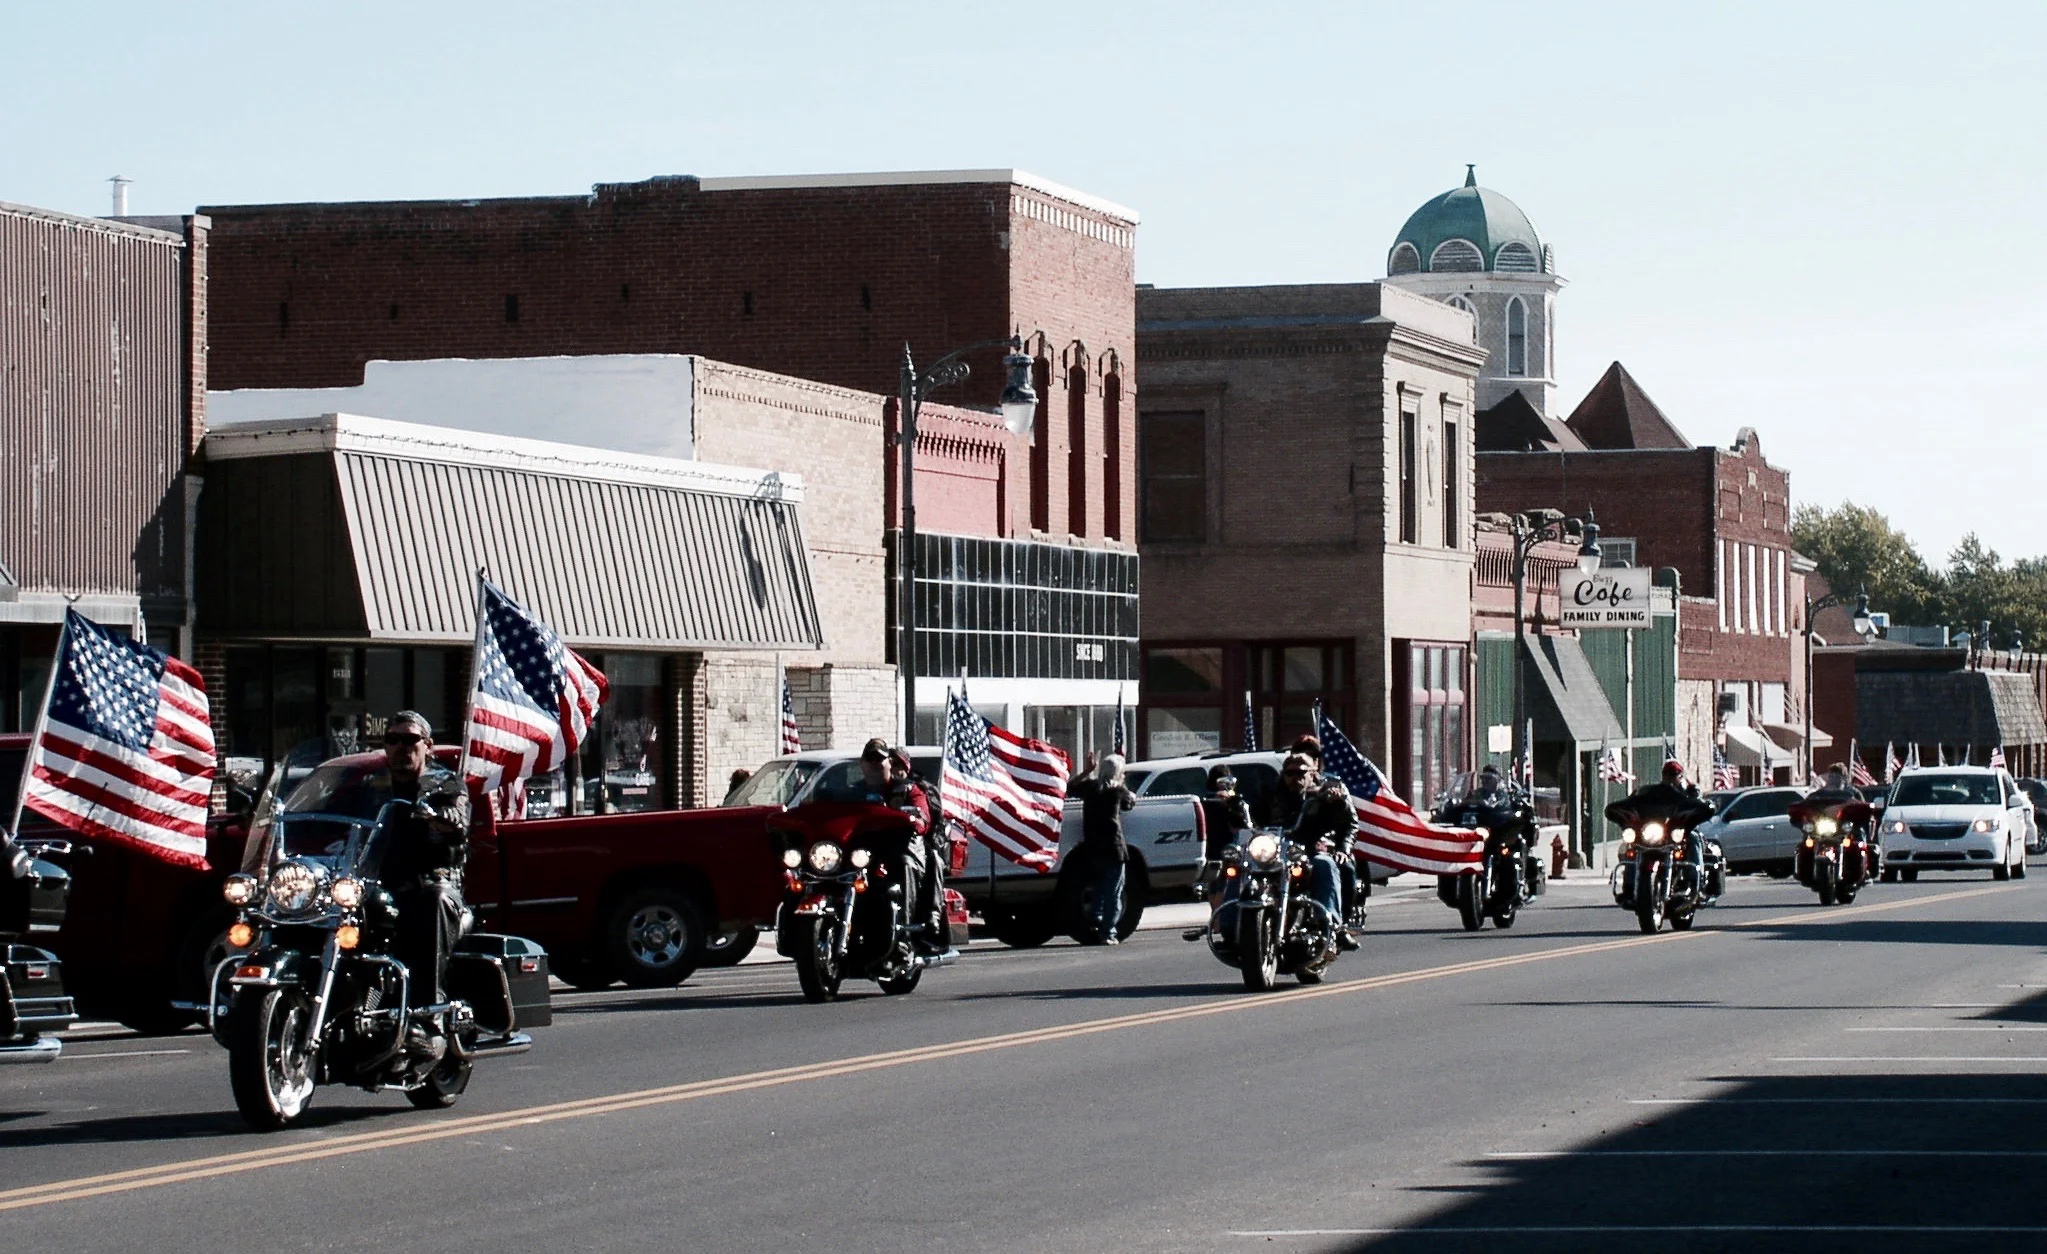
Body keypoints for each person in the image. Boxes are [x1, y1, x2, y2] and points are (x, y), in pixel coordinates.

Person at [373, 712, 469, 1025]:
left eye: (410, 739)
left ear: (428, 746)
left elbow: (458, 817)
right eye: (393, 739)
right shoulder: (369, 786)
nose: (401, 747)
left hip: (431, 883)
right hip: (378, 885)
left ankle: (430, 1014)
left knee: (434, 900)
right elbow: (327, 812)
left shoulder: (445, 784)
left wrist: (446, 819)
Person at [1271, 752, 1361, 949]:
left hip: (1312, 851)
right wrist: (1233, 807)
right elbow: (1251, 818)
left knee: (1324, 864)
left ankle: (1332, 926)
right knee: (1238, 866)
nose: (1295, 778)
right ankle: (1231, 927)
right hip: (1276, 853)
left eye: (1301, 773)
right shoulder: (1271, 796)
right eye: (1290, 773)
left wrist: (1343, 848)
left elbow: (1349, 823)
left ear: (1312, 774)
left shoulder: (1325, 795)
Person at [1070, 751, 1136, 944]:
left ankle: (1095, 919)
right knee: (1114, 892)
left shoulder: (1091, 788)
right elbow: (1129, 804)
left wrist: (1087, 771)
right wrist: (1124, 785)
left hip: (1092, 847)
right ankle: (1108, 932)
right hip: (1114, 847)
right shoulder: (1118, 791)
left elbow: (1069, 787)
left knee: (1099, 887)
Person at [1199, 765, 1254, 903]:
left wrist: (1231, 803)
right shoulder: (1207, 802)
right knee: (1216, 885)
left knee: (1225, 884)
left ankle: (1220, 910)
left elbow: (1243, 824)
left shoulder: (1235, 802)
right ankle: (1217, 912)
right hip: (1217, 849)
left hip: (1230, 848)